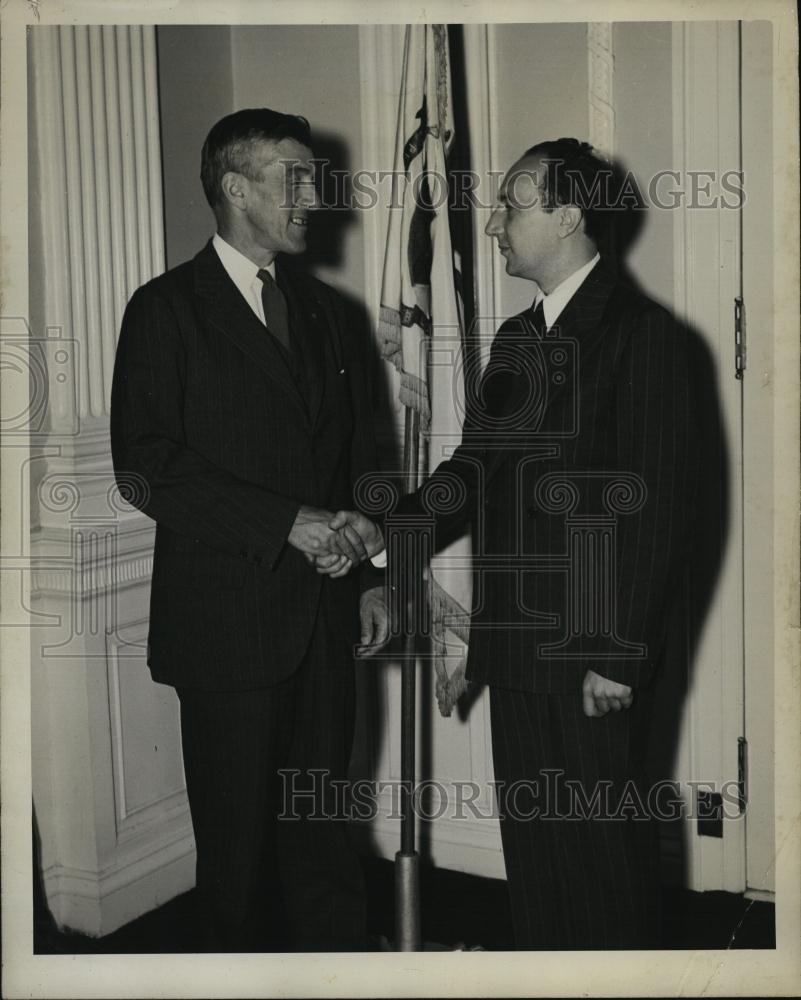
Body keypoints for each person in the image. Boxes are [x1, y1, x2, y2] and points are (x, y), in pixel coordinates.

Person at [329, 138, 700, 949]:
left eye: (511, 203)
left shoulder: (644, 337)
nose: (492, 224)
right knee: (539, 858)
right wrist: (385, 541)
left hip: (592, 654)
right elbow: (472, 472)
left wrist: (616, 658)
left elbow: (658, 512)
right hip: (519, 645)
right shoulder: (518, 339)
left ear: (568, 215)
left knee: (603, 860)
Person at [110, 108, 388, 952]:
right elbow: (143, 462)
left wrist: (372, 570)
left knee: (325, 840)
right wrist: (284, 523)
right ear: (235, 188)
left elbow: (360, 454)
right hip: (227, 627)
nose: (314, 197)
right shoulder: (165, 310)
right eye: (293, 179)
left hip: (325, 623)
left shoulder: (330, 314)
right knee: (236, 858)